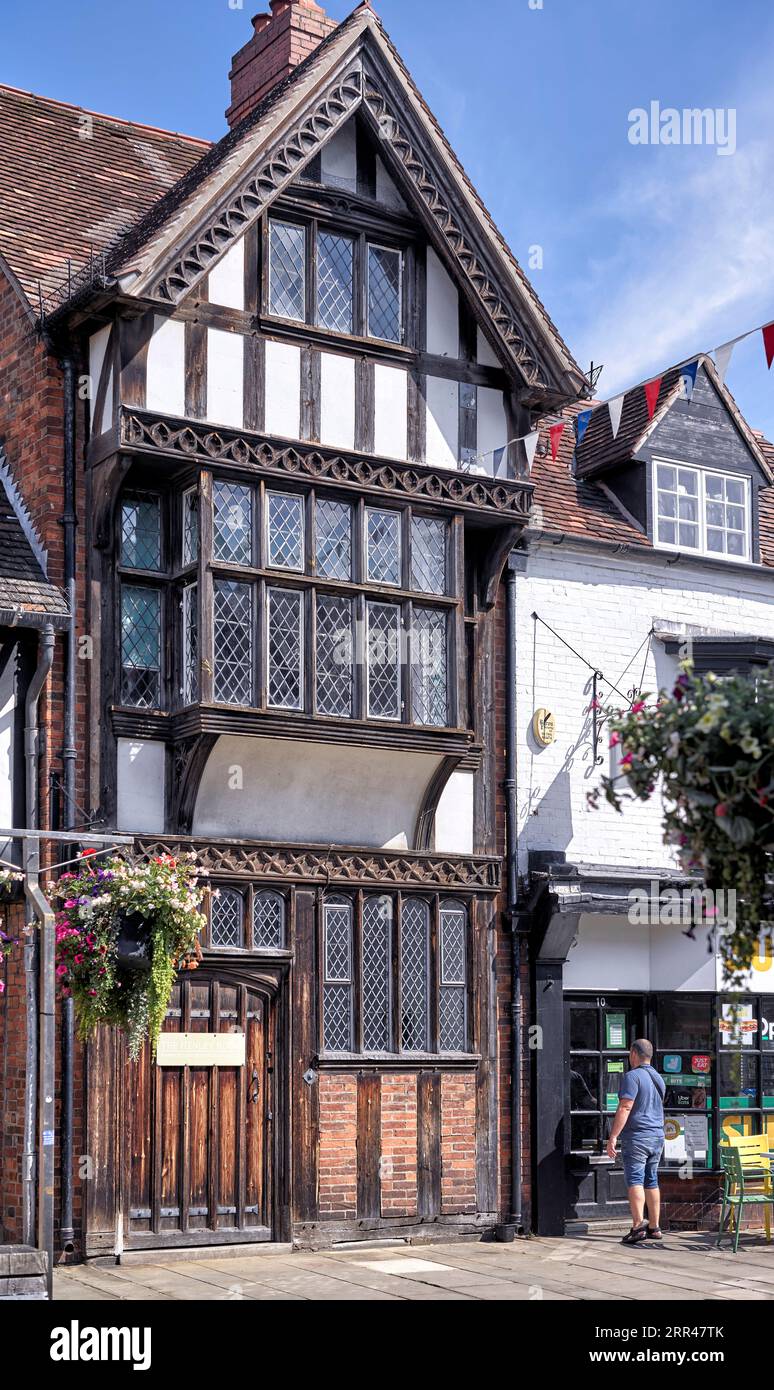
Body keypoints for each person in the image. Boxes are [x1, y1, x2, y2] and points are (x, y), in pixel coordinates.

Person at [606, 1038, 665, 1245]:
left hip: (638, 1137)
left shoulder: (632, 1077)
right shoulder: (658, 1078)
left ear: (633, 1054)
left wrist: (613, 1136)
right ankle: (654, 1226)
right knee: (651, 1180)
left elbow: (625, 1107)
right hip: (657, 1136)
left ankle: (638, 1225)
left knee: (636, 1180)